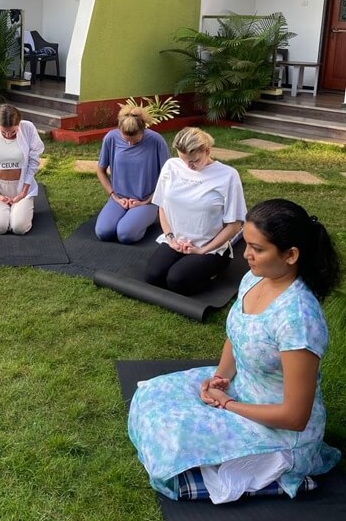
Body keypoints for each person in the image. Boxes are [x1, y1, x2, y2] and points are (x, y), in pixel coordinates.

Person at [128, 199, 342, 504]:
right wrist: (220, 378)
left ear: (291, 255)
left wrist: (227, 404)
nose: (246, 255)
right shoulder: (254, 278)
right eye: (248, 244)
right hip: (241, 390)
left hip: (280, 432)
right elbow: (236, 334)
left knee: (172, 434)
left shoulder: (299, 319)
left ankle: (274, 474)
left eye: (257, 248)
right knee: (152, 395)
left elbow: (295, 416)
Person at [143, 127, 246, 295]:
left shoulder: (228, 175)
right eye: (183, 160)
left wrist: (202, 250)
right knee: (153, 276)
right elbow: (162, 205)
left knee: (176, 281)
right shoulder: (171, 166)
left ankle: (216, 268)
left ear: (207, 151)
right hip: (176, 241)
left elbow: (235, 224)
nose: (188, 166)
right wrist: (170, 238)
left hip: (210, 247)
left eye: (194, 161)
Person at [95, 105, 169, 244]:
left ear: (143, 130)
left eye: (134, 140)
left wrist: (146, 201)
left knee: (125, 235)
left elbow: (167, 177)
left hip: (146, 201)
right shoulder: (111, 138)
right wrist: (114, 196)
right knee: (103, 233)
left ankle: (154, 216)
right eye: (126, 139)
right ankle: (130, 216)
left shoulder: (156, 141)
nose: (129, 143)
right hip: (119, 199)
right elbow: (100, 170)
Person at [0, 104, 44, 235]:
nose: (8, 135)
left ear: (19, 124)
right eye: (4, 132)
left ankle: (20, 209)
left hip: (21, 186)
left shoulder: (28, 128)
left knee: (19, 228)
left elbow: (34, 161)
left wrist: (23, 192)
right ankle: (2, 210)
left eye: (13, 132)